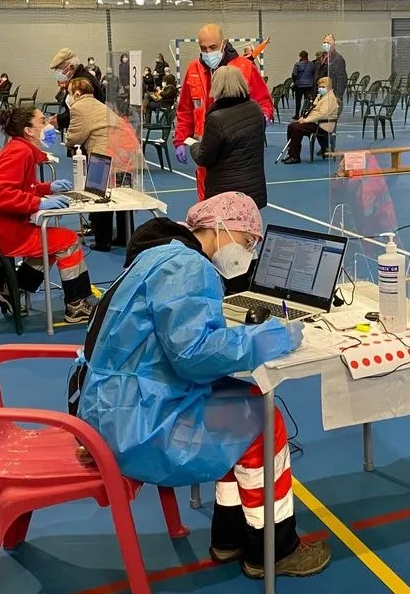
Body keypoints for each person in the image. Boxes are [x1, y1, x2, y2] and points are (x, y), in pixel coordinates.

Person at [74, 192, 330, 579]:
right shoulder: (188, 267)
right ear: (221, 228)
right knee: (263, 417)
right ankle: (274, 549)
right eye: (246, 242)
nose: (245, 252)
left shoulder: (159, 253)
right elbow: (194, 355)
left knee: (233, 400)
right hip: (136, 426)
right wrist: (271, 337)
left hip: (112, 407)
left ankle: (228, 535)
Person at [0, 106, 95, 324]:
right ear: (29, 131)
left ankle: (12, 288)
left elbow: (18, 186)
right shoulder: (20, 153)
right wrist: (38, 202)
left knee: (51, 244)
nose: (48, 125)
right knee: (68, 241)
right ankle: (77, 306)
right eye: (42, 121)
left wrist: (46, 188)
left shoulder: (17, 149)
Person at [174, 24, 273, 201]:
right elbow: (185, 110)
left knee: (238, 209)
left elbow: (264, 101)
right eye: (203, 48)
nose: (208, 52)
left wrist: (263, 118)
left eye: (212, 47)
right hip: (206, 151)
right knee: (207, 207)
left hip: (237, 153)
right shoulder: (193, 70)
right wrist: (180, 140)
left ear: (223, 43)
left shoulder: (244, 67)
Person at [64, 77, 141, 251]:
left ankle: (103, 241)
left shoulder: (78, 107)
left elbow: (75, 136)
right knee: (123, 193)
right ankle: (124, 235)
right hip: (127, 147)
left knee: (101, 194)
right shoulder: (97, 104)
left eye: (69, 92)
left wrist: (66, 140)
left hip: (109, 150)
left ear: (76, 93)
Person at [190, 66, 268, 208]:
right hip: (253, 189)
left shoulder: (217, 118)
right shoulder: (256, 109)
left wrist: (193, 145)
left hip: (225, 193)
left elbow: (204, 158)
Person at [283, 77, 338, 164]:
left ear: (329, 87)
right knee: (292, 126)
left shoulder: (329, 98)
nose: (320, 89)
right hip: (316, 123)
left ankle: (295, 156)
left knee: (295, 128)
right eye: (319, 86)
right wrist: (304, 118)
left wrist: (306, 120)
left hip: (322, 125)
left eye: (323, 87)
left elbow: (322, 114)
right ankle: (292, 153)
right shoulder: (321, 96)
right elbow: (313, 110)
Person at [50, 47, 103, 137]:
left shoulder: (82, 83)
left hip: (88, 133)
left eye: (59, 69)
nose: (57, 73)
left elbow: (81, 112)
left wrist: (59, 120)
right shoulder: (78, 79)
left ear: (71, 67)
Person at [315, 33, 347, 117]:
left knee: (328, 126)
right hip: (321, 96)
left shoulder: (338, 59)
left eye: (328, 43)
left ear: (334, 44)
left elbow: (341, 78)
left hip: (332, 97)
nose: (326, 44)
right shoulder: (321, 58)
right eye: (324, 42)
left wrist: (337, 97)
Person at [291, 50, 315, 118]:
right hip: (309, 85)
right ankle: (304, 114)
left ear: (300, 56)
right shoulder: (311, 64)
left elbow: (294, 74)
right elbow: (314, 73)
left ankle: (296, 114)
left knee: (298, 100)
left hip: (299, 85)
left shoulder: (297, 64)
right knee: (307, 100)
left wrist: (295, 82)